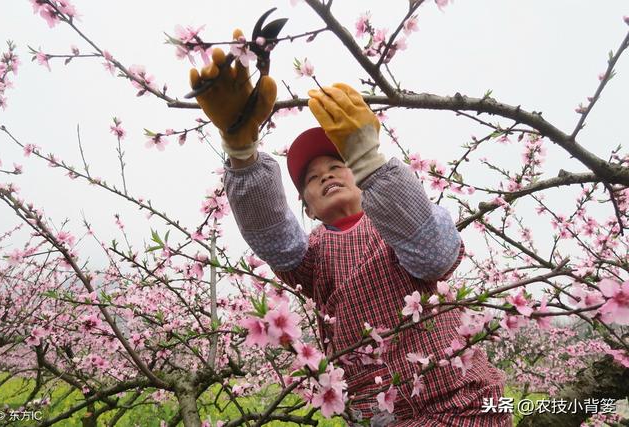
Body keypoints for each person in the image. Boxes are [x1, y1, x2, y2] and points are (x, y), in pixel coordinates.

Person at [189, 30, 511, 427]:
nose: (324, 176)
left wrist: (370, 161)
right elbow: (273, 234)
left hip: (462, 404)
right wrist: (241, 154)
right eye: (311, 178)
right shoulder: (312, 255)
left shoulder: (395, 221)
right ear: (306, 207)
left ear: (361, 177)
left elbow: (435, 254)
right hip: (381, 416)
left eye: (337, 165)